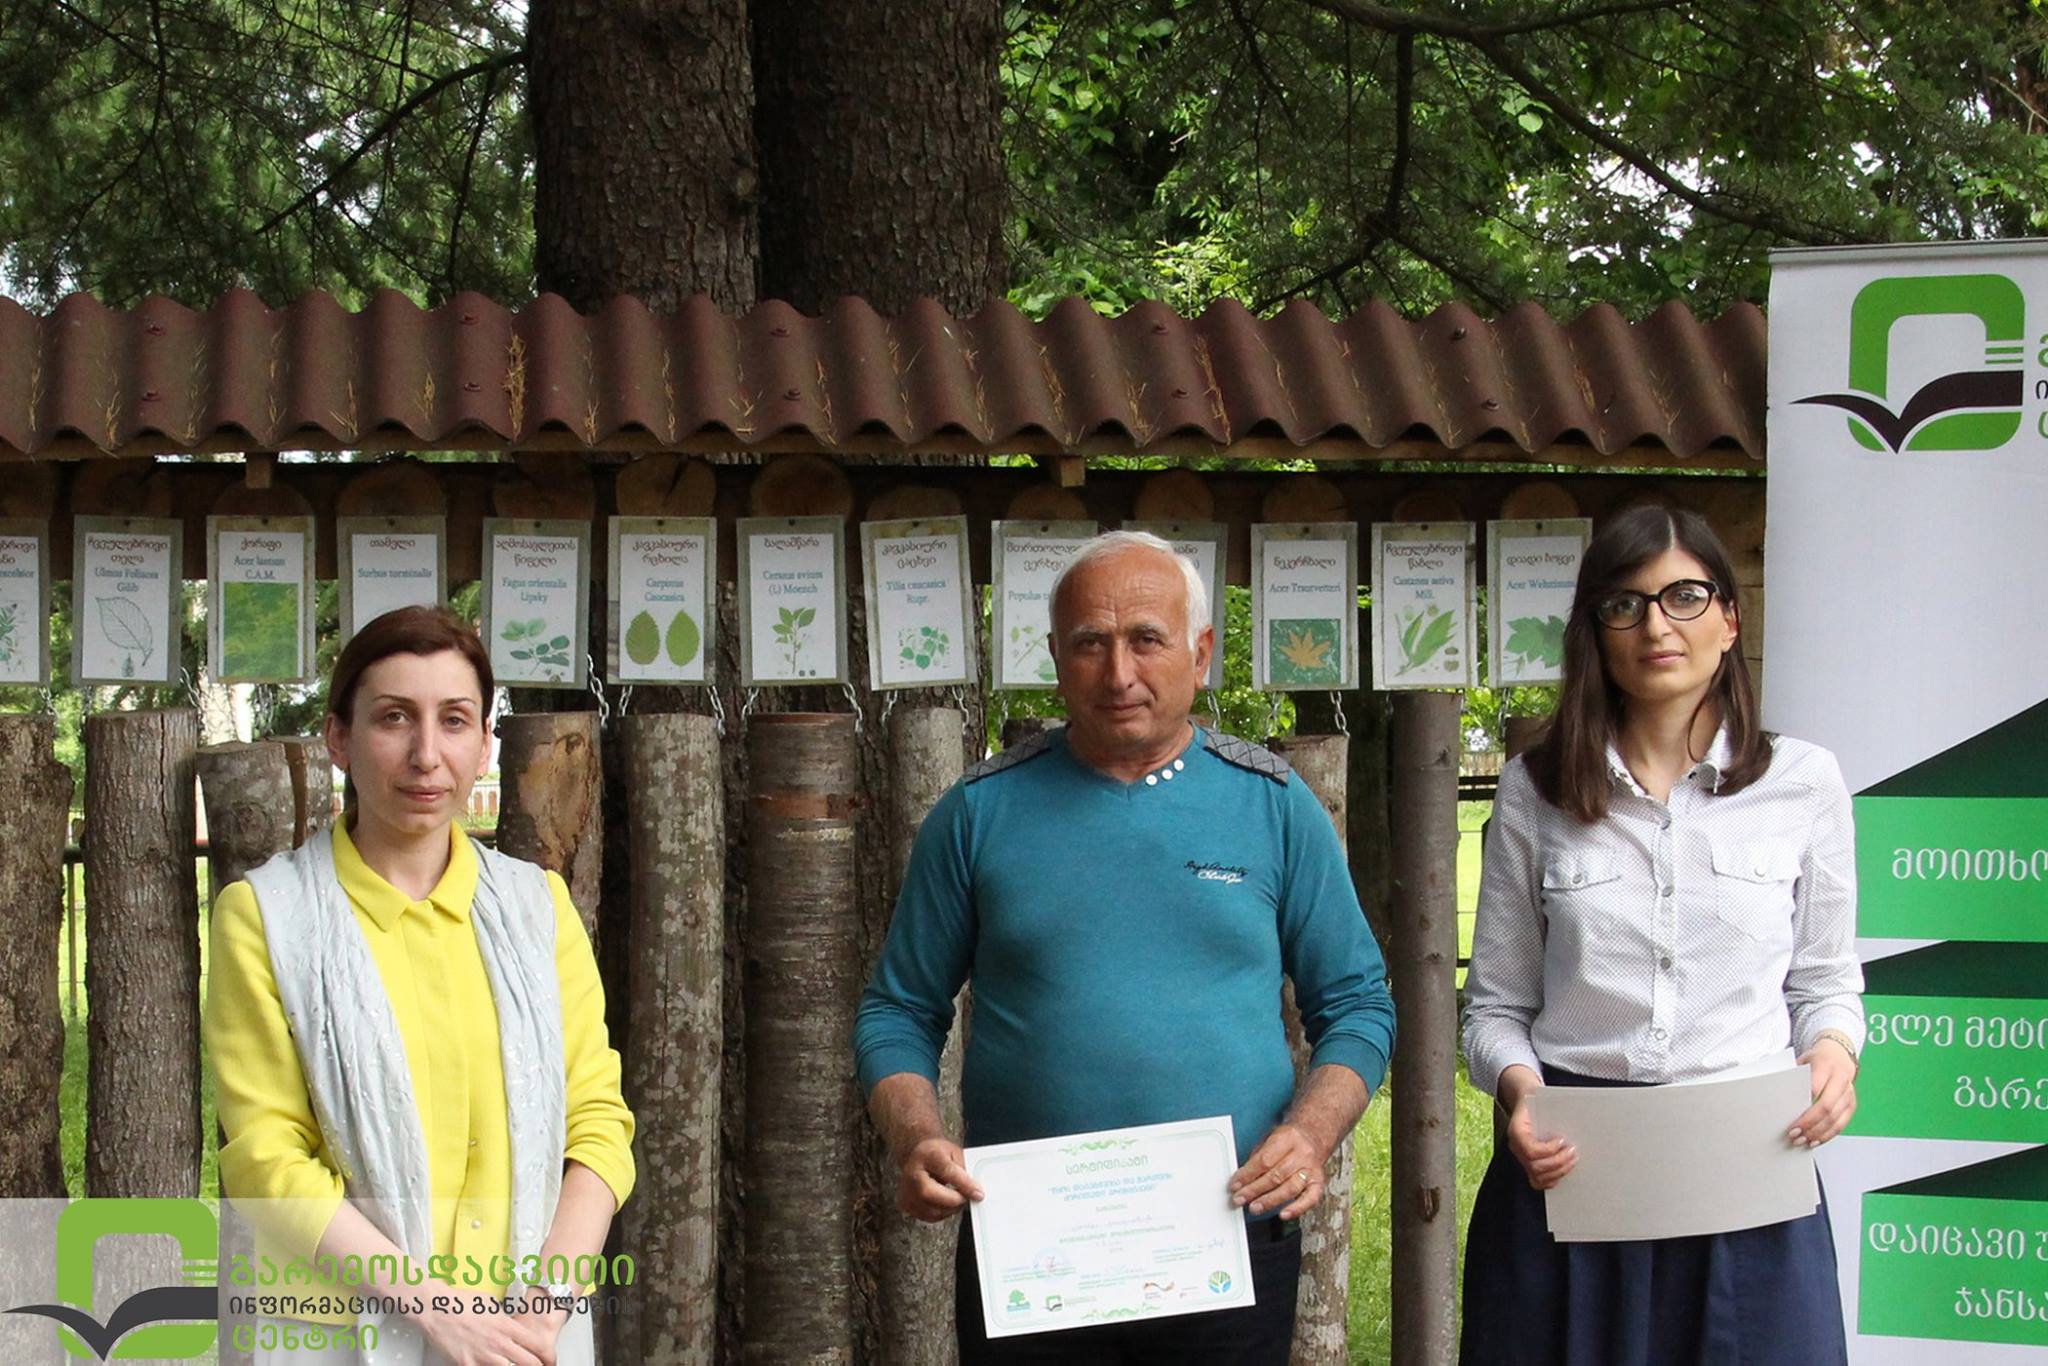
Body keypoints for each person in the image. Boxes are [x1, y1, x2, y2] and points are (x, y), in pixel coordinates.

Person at [854, 529, 1396, 1365]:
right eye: (1089, 644)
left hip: (1226, 1238)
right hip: (1034, 1249)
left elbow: (1358, 1006)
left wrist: (1311, 1134)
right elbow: (898, 1010)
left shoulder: (1274, 807)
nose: (1118, 673)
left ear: (1200, 653)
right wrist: (915, 1136)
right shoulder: (978, 813)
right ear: (1053, 658)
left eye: (1147, 639)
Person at [1460, 506, 1862, 1364]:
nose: (1656, 626)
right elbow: (1493, 1010)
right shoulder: (1535, 792)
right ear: (1595, 633)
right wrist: (1522, 1095)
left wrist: (1833, 1055)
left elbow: (1825, 985)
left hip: (1749, 1181)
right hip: (1575, 1177)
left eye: (1685, 597)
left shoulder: (1805, 783)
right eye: (1626, 604)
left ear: (1730, 619)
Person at [204, 605, 635, 1366]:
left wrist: (543, 1309)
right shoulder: (266, 918)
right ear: (339, 737)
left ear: (485, 744)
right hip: (338, 1340)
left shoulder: (538, 910)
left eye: (455, 720)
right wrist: (440, 1310)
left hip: (527, 1338)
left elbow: (598, 1124)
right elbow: (267, 1159)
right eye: (394, 717)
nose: (426, 755)